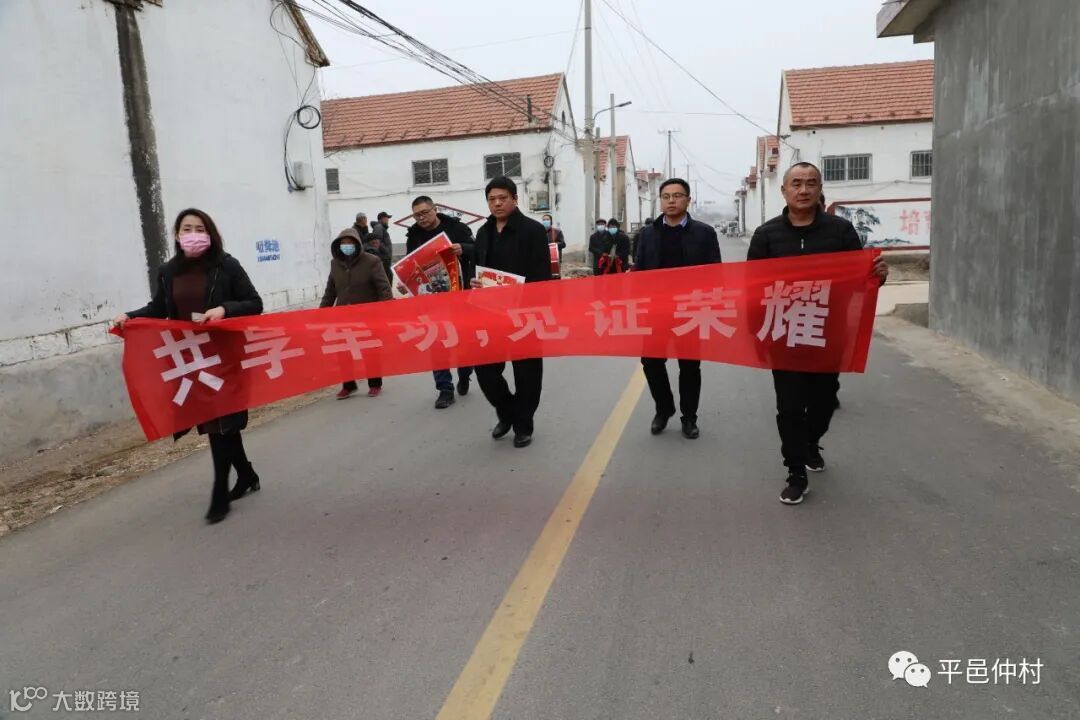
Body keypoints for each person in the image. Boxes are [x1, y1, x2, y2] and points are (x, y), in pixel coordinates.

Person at [747, 161, 888, 505]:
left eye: (811, 183)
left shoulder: (840, 232)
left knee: (824, 402)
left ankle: (811, 442)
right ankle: (796, 472)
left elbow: (858, 280)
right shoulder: (766, 235)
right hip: (784, 334)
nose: (803, 190)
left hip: (827, 333)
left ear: (820, 189)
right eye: (796, 183)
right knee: (790, 407)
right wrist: (757, 336)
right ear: (784, 190)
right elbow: (752, 289)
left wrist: (877, 277)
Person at [112, 208, 263, 524]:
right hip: (191, 360)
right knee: (217, 424)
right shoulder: (169, 271)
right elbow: (159, 309)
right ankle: (247, 475)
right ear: (178, 235)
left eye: (199, 228)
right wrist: (131, 317)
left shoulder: (227, 266)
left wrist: (224, 309)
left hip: (223, 357)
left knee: (221, 422)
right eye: (186, 229)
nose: (193, 234)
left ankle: (220, 491)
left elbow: (254, 303)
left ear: (210, 234)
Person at [633, 179, 722, 440]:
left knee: (690, 367)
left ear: (688, 200)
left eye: (677, 195)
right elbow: (639, 270)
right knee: (651, 362)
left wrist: (711, 303)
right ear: (660, 200)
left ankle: (689, 417)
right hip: (657, 310)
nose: (671, 201)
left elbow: (715, 272)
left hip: (691, 310)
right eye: (666, 196)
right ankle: (664, 408)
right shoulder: (647, 234)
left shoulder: (704, 233)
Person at [470, 177, 552, 448]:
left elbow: (542, 277)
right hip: (489, 315)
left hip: (524, 315)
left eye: (503, 198)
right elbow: (477, 270)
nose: (497, 203)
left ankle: (523, 425)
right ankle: (506, 412)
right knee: (485, 371)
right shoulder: (483, 232)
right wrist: (475, 283)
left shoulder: (532, 231)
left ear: (515, 199)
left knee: (527, 374)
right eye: (492, 199)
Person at [405, 195, 476, 408]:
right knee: (437, 342)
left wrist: (463, 248)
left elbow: (478, 249)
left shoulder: (457, 228)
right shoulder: (414, 235)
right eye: (417, 215)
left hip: (460, 294)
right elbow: (410, 264)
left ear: (435, 209)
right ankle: (445, 389)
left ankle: (465, 373)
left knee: (462, 340)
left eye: (425, 213)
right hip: (432, 299)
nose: (421, 218)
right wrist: (405, 282)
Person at [320, 227, 393, 400]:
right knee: (343, 352)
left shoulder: (372, 261)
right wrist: (322, 313)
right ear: (338, 246)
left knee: (370, 351)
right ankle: (348, 385)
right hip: (343, 316)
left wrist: (387, 310)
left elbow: (384, 288)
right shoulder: (335, 264)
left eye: (350, 243)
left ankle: (374, 384)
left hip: (368, 316)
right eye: (343, 243)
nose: (346, 246)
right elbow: (330, 290)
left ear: (357, 244)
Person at [372, 211, 395, 281]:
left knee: (388, 277)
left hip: (385, 258)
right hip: (383, 258)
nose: (388, 220)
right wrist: (386, 251)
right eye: (386, 218)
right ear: (381, 219)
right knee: (387, 278)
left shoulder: (381, 227)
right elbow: (377, 242)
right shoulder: (378, 227)